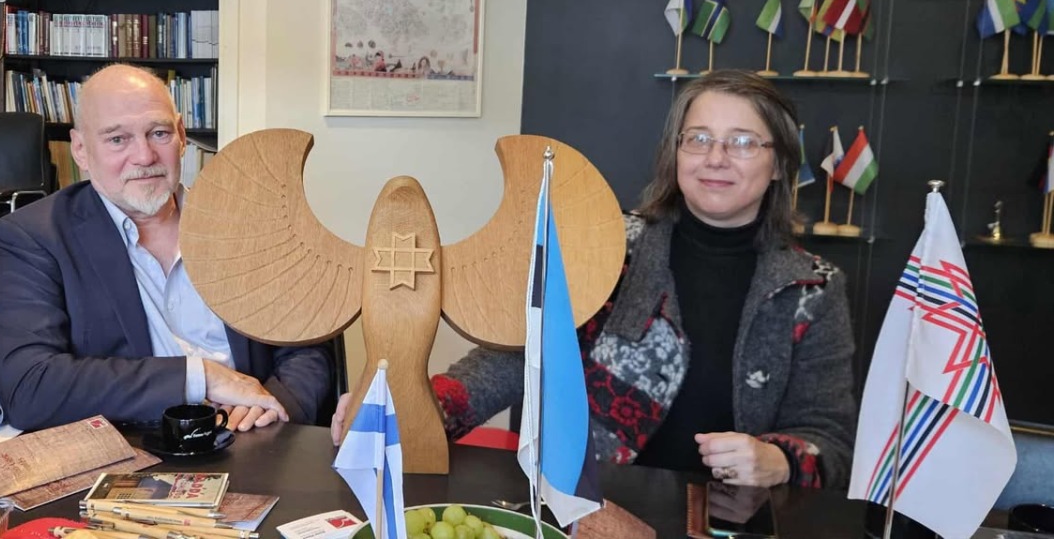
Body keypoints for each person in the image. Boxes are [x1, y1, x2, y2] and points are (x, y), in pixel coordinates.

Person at [332, 70, 857, 489]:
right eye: (698, 138)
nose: (716, 158)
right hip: (586, 504)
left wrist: (777, 462)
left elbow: (829, 440)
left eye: (742, 142)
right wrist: (409, 408)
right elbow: (513, 358)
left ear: (779, 163)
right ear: (675, 152)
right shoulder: (606, 245)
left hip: (723, 517)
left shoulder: (813, 287)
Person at [0, 64, 334, 433]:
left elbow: (308, 346)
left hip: (255, 438)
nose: (145, 156)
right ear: (81, 150)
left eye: (159, 133)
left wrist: (274, 409)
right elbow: (28, 386)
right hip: (140, 444)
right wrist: (199, 377)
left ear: (181, 136)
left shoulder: (250, 224)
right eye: (117, 139)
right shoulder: (32, 237)